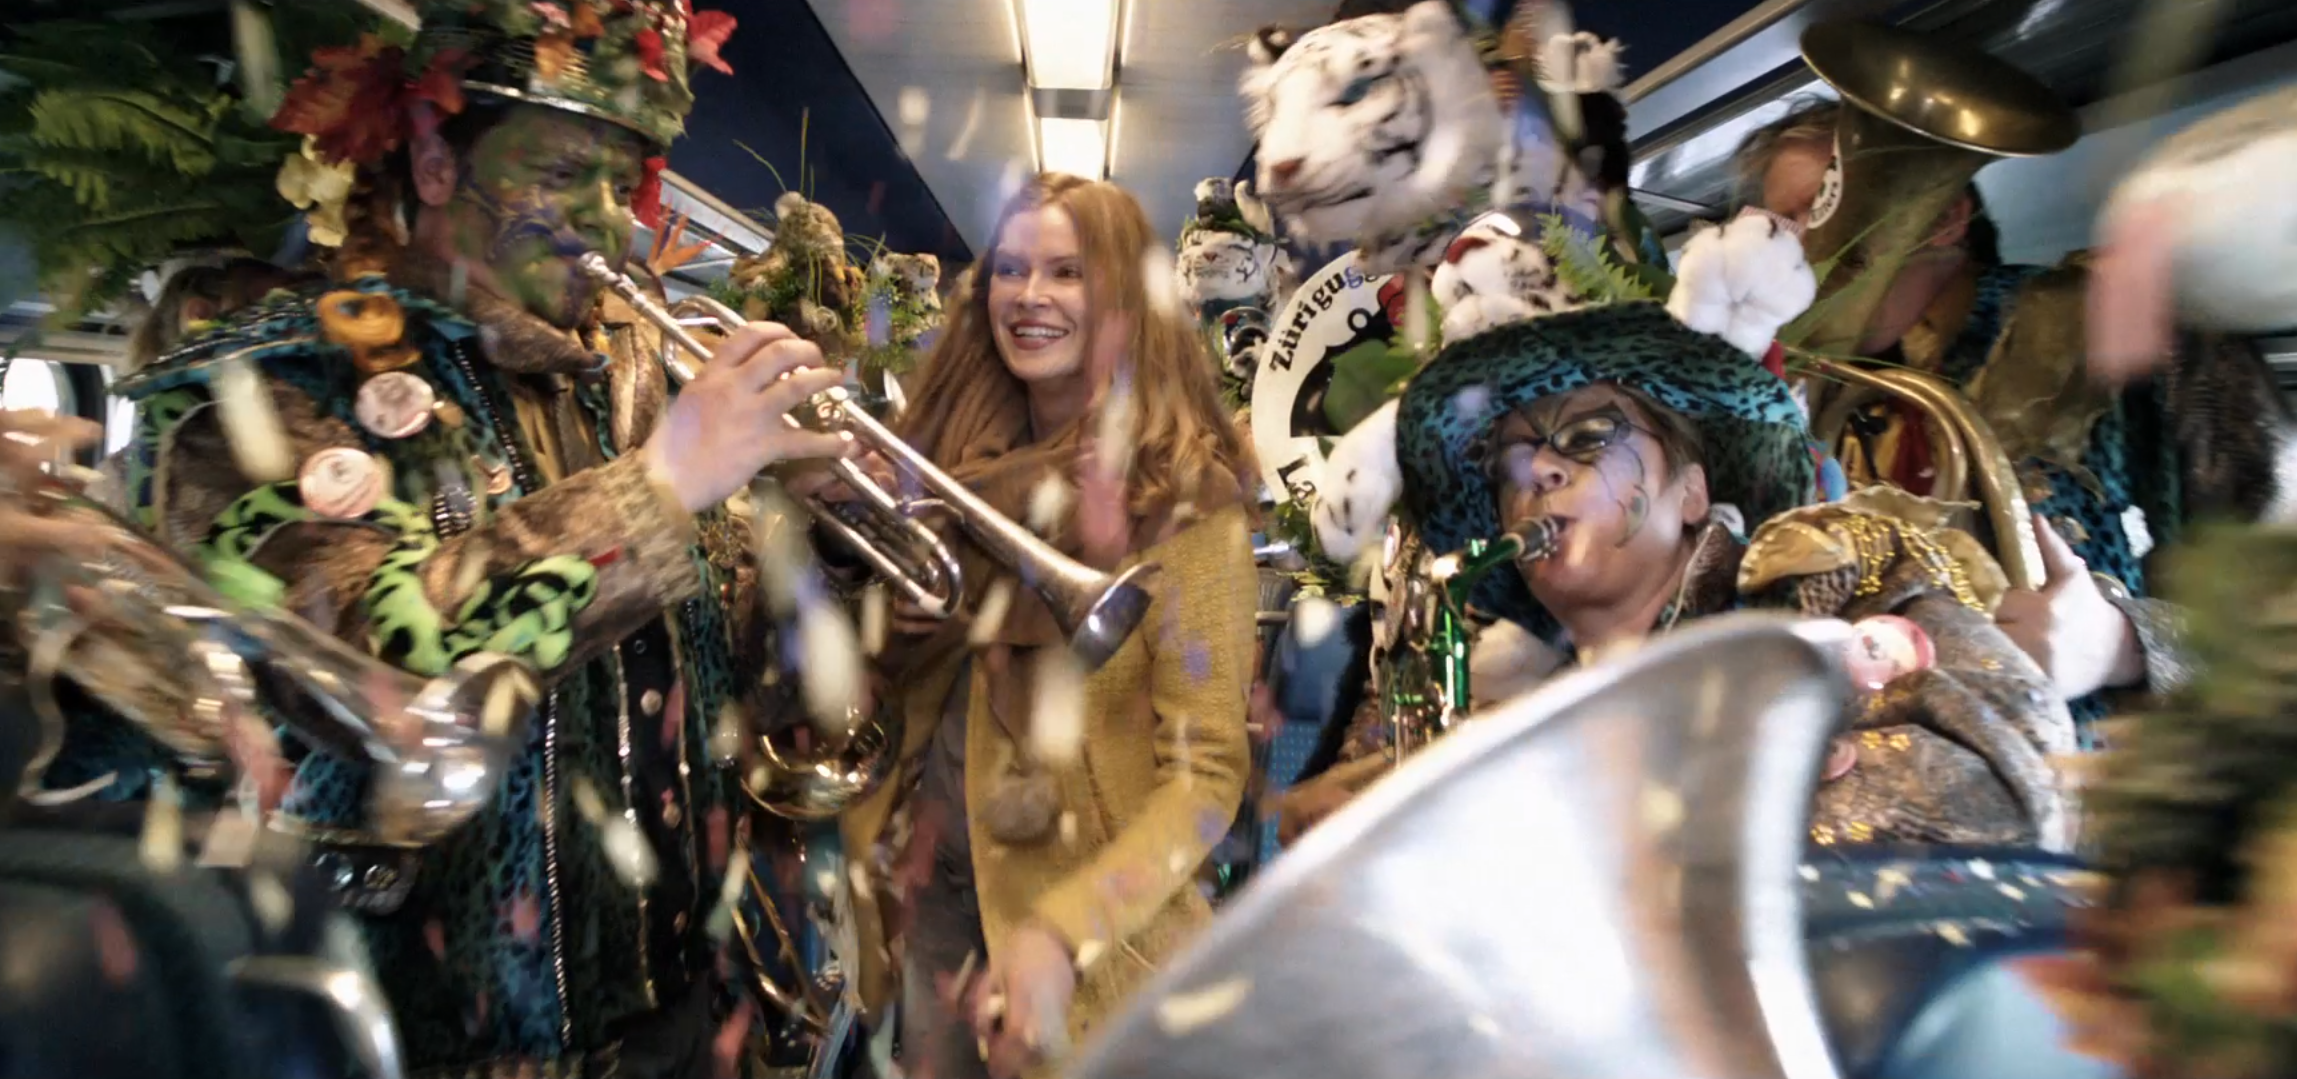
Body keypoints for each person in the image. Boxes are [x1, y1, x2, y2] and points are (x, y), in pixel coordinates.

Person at [21, 4, 858, 1076]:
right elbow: (364, 672)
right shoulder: (271, 380)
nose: (599, 222)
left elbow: (727, 690)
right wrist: (658, 488)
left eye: (620, 184)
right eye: (559, 174)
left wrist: (818, 548)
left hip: (679, 1010)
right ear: (429, 160)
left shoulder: (633, 380)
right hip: (428, 1036)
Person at [1278, 296, 2076, 853]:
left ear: (1692, 489)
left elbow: (2015, 783)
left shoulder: (1832, 569)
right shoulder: (1490, 681)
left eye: (1586, 437)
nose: (1537, 475)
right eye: (1508, 466)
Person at [808, 174, 1257, 1079]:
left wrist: (1067, 927)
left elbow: (1206, 777)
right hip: (935, 906)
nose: (1028, 296)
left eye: (1065, 272)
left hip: (1094, 943)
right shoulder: (952, 461)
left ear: (1123, 296)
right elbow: (884, 678)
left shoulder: (1185, 497)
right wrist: (857, 572)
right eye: (1009, 270)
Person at [1737, 96, 2292, 742]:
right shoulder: (1826, 402)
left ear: (1944, 218)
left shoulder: (2122, 324)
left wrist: (2123, 645)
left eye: (1823, 211)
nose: (1801, 250)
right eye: (1783, 225)